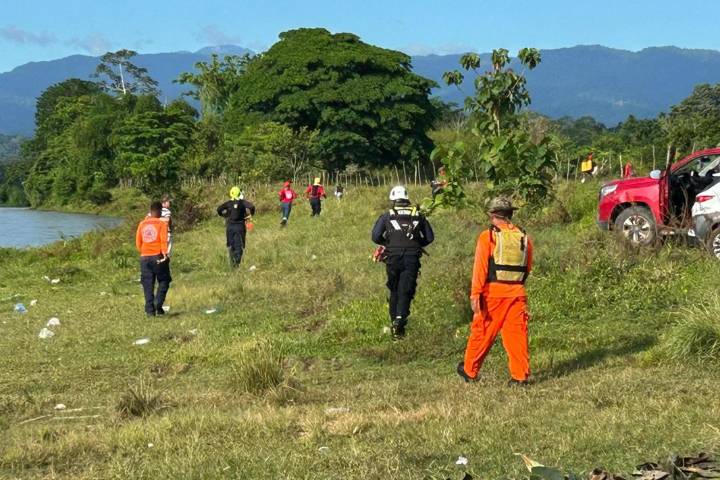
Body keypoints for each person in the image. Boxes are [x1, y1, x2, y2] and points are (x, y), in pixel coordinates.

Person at [457, 197, 533, 385]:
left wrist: (475, 294)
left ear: (492, 214)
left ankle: (469, 371)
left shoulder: (488, 236)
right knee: (517, 336)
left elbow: (480, 268)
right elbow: (528, 266)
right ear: (510, 214)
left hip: (493, 294)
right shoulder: (523, 237)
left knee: (482, 333)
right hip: (518, 293)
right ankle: (520, 376)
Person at [371, 185, 434, 339]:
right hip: (412, 258)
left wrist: (388, 244)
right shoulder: (418, 215)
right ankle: (400, 320)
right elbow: (430, 237)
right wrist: (417, 244)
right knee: (406, 289)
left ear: (393, 200)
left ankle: (395, 324)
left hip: (393, 258)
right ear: (407, 198)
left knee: (394, 290)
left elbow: (375, 236)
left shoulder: (387, 216)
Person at [136, 201, 171, 317]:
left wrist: (144, 251)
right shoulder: (162, 224)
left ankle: (150, 310)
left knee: (147, 284)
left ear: (150, 212)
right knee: (164, 280)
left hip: (144, 257)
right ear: (160, 211)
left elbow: (138, 242)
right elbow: (163, 240)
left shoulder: (142, 224)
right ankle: (158, 303)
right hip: (158, 256)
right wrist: (165, 254)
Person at [217, 186, 256, 267]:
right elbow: (251, 207)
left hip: (230, 227)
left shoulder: (228, 203)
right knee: (240, 245)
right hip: (240, 227)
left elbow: (219, 209)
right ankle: (236, 264)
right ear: (239, 193)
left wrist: (225, 215)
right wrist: (251, 214)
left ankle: (232, 264)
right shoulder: (242, 202)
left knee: (231, 245)